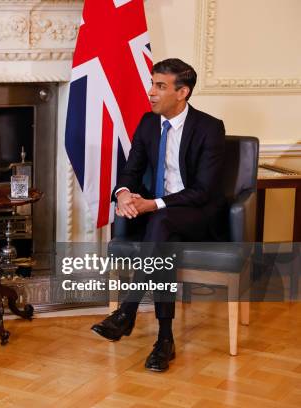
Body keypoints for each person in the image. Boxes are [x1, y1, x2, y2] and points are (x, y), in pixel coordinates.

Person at [91, 58, 227, 372]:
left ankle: (128, 310)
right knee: (163, 237)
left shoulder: (209, 128)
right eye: (152, 84)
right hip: (163, 221)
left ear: (183, 93)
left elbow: (204, 191)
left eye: (160, 86)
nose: (151, 92)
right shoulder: (148, 123)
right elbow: (131, 170)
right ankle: (164, 339)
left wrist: (153, 204)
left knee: (161, 222)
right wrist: (123, 194)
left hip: (199, 214)